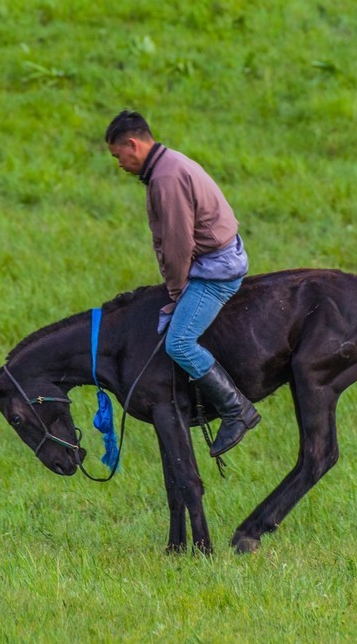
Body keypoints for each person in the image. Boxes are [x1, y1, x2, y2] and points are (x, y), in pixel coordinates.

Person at [105, 110, 260, 457]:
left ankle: (236, 409)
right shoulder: (165, 165)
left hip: (216, 269)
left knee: (179, 341)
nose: (119, 163)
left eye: (118, 155)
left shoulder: (166, 178)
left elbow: (178, 246)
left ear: (133, 144)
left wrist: (177, 293)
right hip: (211, 259)